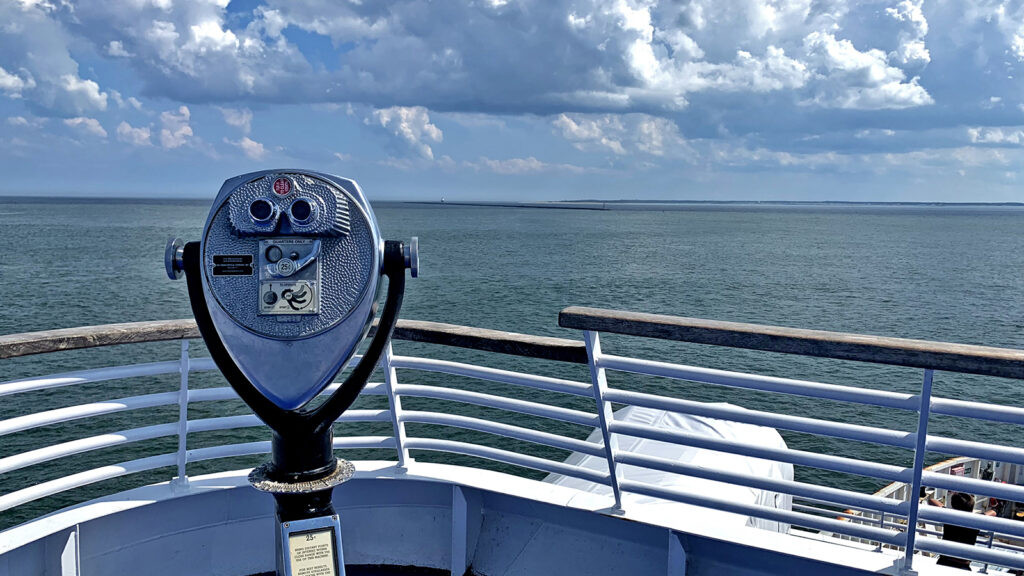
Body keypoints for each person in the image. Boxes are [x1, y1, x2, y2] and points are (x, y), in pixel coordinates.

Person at [936, 492, 979, 570]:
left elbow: (932, 501)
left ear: (952, 505)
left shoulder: (949, 516)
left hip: (945, 561)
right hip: (964, 564)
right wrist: (980, 515)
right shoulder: (976, 521)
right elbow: (993, 512)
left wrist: (945, 508)